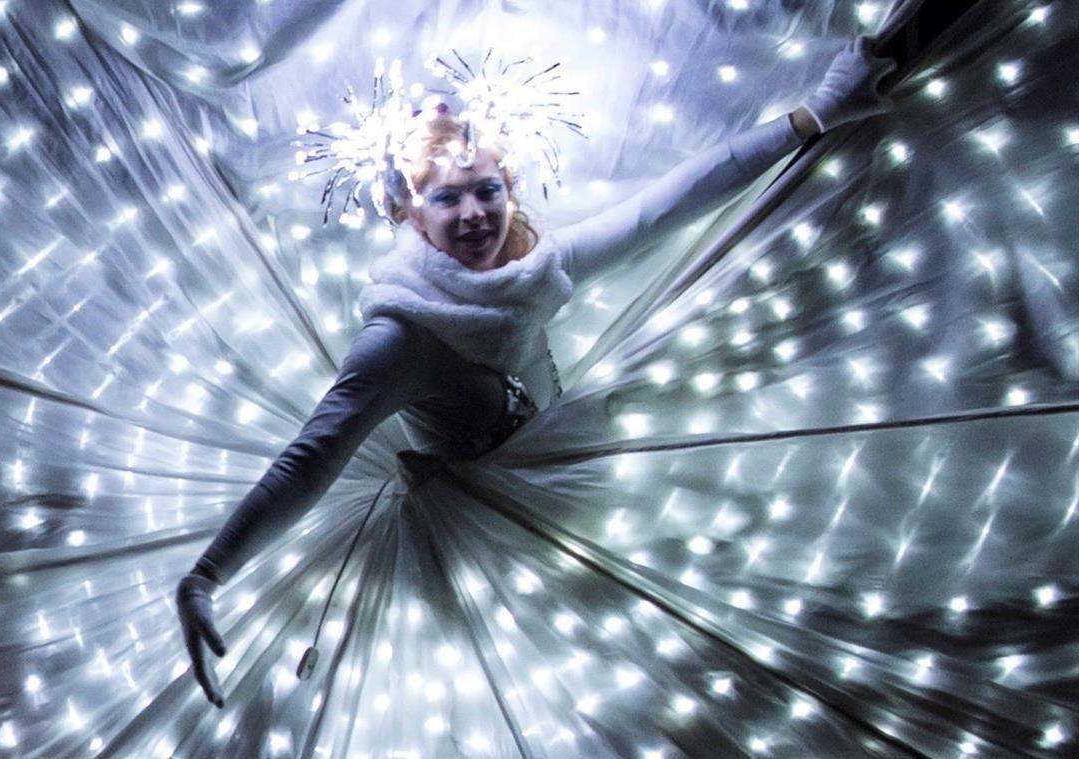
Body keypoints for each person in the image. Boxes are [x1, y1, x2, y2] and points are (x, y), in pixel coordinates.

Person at [176, 35, 898, 708]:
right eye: (446, 198)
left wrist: (815, 114)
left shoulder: (536, 269)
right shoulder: (401, 334)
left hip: (572, 479)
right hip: (482, 535)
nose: (473, 215)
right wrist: (208, 574)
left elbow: (665, 204)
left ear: (509, 185)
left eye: (485, 189)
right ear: (408, 212)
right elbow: (309, 460)